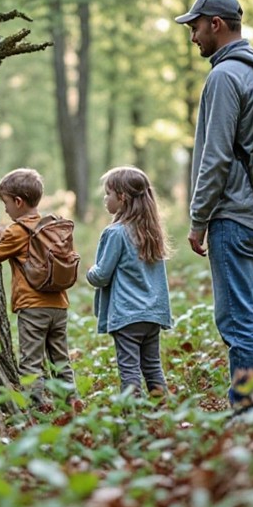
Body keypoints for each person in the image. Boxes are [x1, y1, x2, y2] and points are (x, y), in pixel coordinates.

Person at [175, 0, 253, 407]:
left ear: (216, 24)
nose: (193, 37)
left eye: (195, 27)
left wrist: (198, 218)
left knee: (238, 319)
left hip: (236, 219)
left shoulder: (224, 77)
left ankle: (248, 410)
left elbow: (216, 157)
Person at [0, 168, 77, 403]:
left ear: (19, 202)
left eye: (7, 203)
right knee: (60, 359)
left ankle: (36, 406)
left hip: (33, 308)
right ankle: (71, 402)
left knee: (31, 362)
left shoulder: (17, 230)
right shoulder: (49, 224)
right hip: (59, 305)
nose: (5, 208)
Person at [86, 167, 172, 397]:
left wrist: (88, 271)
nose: (105, 199)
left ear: (122, 198)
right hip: (153, 314)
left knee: (129, 370)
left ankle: (134, 416)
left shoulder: (116, 233)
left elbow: (101, 276)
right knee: (153, 367)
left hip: (127, 316)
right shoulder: (152, 232)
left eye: (108, 194)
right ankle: (163, 412)